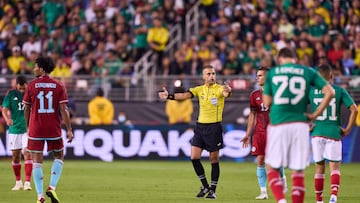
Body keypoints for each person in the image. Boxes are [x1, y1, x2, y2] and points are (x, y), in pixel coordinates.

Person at [263, 47, 334, 203]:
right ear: (295, 59)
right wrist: (315, 115)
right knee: (298, 172)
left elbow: (267, 102)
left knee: (272, 167)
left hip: (278, 123)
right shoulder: (307, 71)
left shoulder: (273, 73)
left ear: (280, 59)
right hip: (300, 125)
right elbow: (330, 92)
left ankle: (281, 200)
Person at [158, 65, 232, 199]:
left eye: (213, 73)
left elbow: (226, 93)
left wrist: (228, 90)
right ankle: (205, 186)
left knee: (213, 159)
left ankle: (213, 190)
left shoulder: (220, 89)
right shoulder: (199, 90)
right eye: (208, 74)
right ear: (203, 76)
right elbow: (184, 95)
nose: (211, 76)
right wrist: (168, 96)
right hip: (200, 127)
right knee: (194, 157)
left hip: (214, 127)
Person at [23, 56, 73, 203]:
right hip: (53, 128)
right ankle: (51, 187)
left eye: (35, 66)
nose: (33, 68)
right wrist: (69, 129)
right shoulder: (59, 85)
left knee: (36, 161)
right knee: (59, 156)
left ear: (42, 69)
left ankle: (40, 197)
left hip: (36, 128)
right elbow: (64, 109)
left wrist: (28, 127)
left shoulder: (31, 85)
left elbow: (26, 108)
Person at [309, 64, 358, 203]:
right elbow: (354, 110)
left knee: (319, 168)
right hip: (333, 132)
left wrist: (308, 124)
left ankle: (319, 201)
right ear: (332, 76)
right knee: (334, 167)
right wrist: (347, 129)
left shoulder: (311, 92)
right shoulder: (339, 90)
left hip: (317, 133)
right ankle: (333, 196)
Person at [241, 67, 287, 200]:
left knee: (275, 161)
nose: (257, 78)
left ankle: (282, 178)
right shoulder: (254, 95)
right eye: (257, 75)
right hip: (260, 132)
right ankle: (263, 192)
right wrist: (248, 134)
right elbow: (252, 115)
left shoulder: (277, 92)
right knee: (260, 160)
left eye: (260, 75)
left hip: (275, 131)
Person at [2, 75, 33, 191]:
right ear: (16, 85)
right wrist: (7, 119)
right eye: (20, 88)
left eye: (23, 88)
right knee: (15, 156)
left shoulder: (31, 94)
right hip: (14, 129)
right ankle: (18, 182)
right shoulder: (10, 94)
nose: (21, 90)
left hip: (28, 129)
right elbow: (4, 109)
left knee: (27, 153)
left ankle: (27, 183)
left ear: (26, 85)